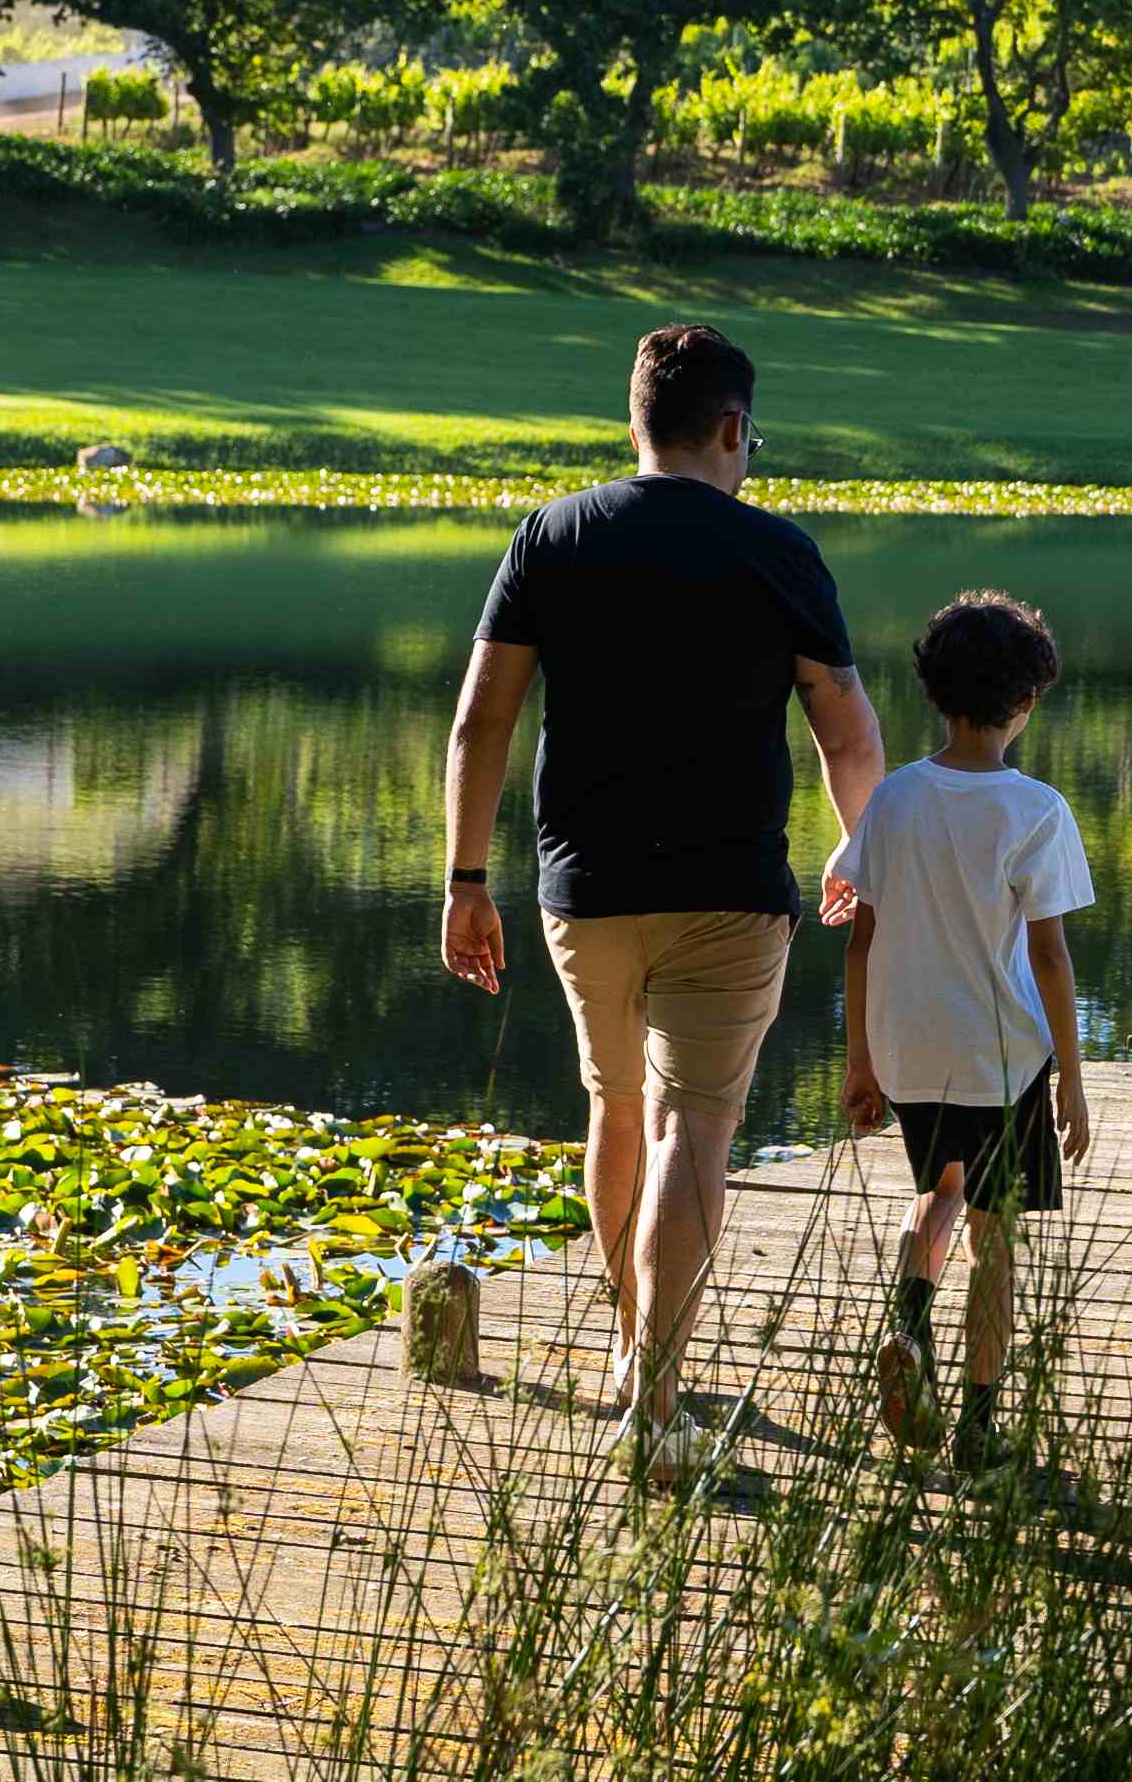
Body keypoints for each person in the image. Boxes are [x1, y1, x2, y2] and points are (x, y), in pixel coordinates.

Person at [438, 321, 884, 1489]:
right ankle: (657, 1393)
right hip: (731, 896)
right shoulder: (779, 552)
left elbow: (482, 719)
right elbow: (846, 725)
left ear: (635, 420)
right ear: (733, 428)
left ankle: (631, 1341)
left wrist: (465, 879)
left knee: (614, 1103)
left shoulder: (552, 533)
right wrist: (859, 843)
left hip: (583, 892)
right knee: (698, 1129)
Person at [831, 589, 1093, 1465]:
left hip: (910, 1048)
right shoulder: (1036, 811)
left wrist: (861, 1060)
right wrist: (1074, 1077)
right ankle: (980, 1431)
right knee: (996, 1238)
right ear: (1024, 703)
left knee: (939, 1191)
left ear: (937, 696)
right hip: (1001, 1057)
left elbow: (861, 940)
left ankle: (909, 1325)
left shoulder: (894, 799)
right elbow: (1050, 958)